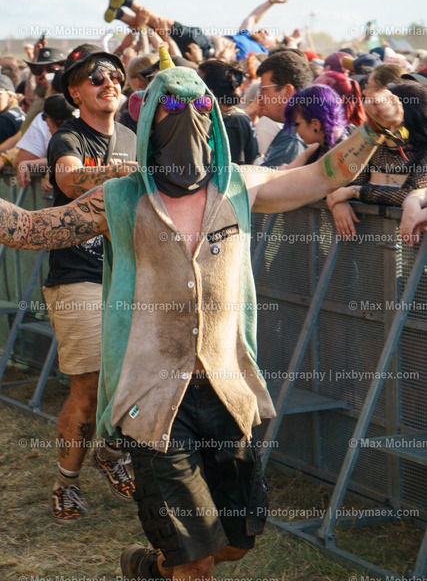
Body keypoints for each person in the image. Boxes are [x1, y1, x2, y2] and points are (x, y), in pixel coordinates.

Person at [0, 47, 403, 579]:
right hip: (154, 401)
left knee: (236, 543)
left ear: (214, 114)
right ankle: (177, 564)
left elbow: (325, 174)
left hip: (226, 393)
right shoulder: (119, 198)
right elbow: (31, 229)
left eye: (200, 105)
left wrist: (373, 129)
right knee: (198, 564)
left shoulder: (239, 185)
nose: (187, 115)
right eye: (171, 105)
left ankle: (152, 569)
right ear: (149, 118)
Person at [43, 44, 138, 522]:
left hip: (129, 278)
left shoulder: (134, 137)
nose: (109, 82)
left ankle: (111, 451)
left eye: (115, 76)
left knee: (134, 378)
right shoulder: (69, 137)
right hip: (78, 276)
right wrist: (122, 172)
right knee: (89, 384)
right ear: (75, 91)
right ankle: (67, 482)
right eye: (96, 78)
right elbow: (69, 180)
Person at [104, 0, 287, 61]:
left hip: (204, 49)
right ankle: (120, 14)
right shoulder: (246, 36)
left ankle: (128, 1)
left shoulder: (263, 55)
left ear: (274, 45)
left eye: (270, 34)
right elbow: (253, 17)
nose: (264, 31)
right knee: (156, 28)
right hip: (203, 42)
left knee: (165, 24)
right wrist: (270, 2)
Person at [326, 82, 427, 238]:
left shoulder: (424, 152)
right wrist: (338, 202)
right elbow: (344, 183)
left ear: (405, 114)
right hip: (367, 245)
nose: (376, 115)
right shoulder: (374, 148)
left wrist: (353, 192)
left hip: (410, 247)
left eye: (385, 109)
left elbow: (406, 194)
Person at [256, 50, 313, 167]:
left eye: (264, 90)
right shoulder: (294, 130)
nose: (259, 97)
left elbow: (268, 178)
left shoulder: (293, 140)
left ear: (287, 91)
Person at [197, 59, 259, 164]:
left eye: (197, 83)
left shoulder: (233, 122)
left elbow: (232, 168)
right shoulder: (229, 117)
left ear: (209, 93)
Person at [281, 84, 349, 168]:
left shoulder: (344, 157)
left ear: (315, 124)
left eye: (297, 124)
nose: (294, 129)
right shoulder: (320, 147)